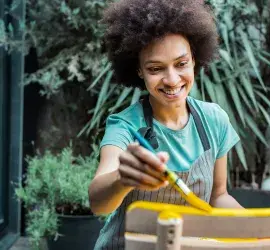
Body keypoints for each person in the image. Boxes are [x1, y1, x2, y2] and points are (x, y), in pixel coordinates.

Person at [88, 0, 243, 249]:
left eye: (181, 64)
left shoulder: (215, 120)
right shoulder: (125, 126)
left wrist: (256, 227)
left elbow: (218, 196)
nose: (172, 80)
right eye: (156, 68)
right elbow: (98, 203)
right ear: (138, 70)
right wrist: (122, 179)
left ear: (194, 58)